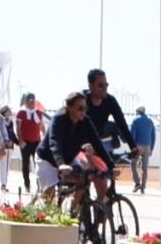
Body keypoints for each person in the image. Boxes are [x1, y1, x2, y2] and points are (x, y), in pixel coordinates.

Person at [43, 89, 120, 223]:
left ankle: (72, 213)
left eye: (85, 108)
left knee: (84, 178)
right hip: (48, 159)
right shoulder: (59, 119)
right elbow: (54, 143)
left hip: (68, 159)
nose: (83, 111)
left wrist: (111, 166)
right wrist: (61, 164)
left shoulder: (85, 121)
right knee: (49, 201)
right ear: (69, 107)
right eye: (80, 108)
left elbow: (98, 144)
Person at [85, 69, 130, 150]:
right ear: (90, 86)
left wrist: (133, 147)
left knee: (106, 161)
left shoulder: (110, 100)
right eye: (100, 85)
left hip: (96, 145)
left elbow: (122, 125)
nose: (104, 88)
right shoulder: (81, 100)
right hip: (77, 146)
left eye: (106, 85)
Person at [14, 96, 46, 193]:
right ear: (26, 101)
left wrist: (44, 136)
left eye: (33, 100)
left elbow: (41, 125)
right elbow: (17, 127)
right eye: (30, 100)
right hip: (25, 142)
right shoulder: (21, 112)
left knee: (38, 164)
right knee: (25, 163)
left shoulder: (38, 112)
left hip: (36, 142)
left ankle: (39, 185)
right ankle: (27, 184)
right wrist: (20, 140)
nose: (32, 102)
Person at [129, 105, 157, 192]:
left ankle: (137, 183)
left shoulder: (135, 120)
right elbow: (153, 135)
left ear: (138, 111)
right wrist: (151, 148)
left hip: (137, 145)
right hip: (148, 145)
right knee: (144, 168)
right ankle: (143, 187)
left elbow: (132, 135)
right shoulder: (150, 121)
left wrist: (132, 147)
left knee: (133, 164)